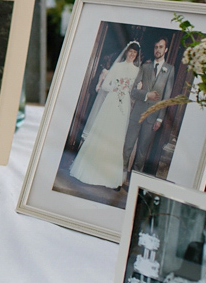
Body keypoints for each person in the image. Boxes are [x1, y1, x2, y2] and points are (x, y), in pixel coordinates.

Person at [68, 41, 141, 189]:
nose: (132, 54)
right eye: (130, 51)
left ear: (137, 55)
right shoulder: (118, 67)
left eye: (135, 52)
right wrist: (116, 87)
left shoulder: (136, 71)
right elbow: (105, 85)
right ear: (126, 52)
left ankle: (108, 175)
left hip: (124, 106)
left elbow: (134, 92)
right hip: (111, 102)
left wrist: (136, 88)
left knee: (116, 136)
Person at [123, 37, 176, 175]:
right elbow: (134, 91)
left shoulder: (170, 69)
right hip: (137, 114)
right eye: (156, 47)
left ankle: (133, 180)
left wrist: (160, 119)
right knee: (127, 146)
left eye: (161, 47)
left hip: (152, 117)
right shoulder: (145, 67)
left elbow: (167, 97)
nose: (158, 50)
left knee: (142, 151)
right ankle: (120, 177)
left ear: (166, 49)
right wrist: (147, 95)